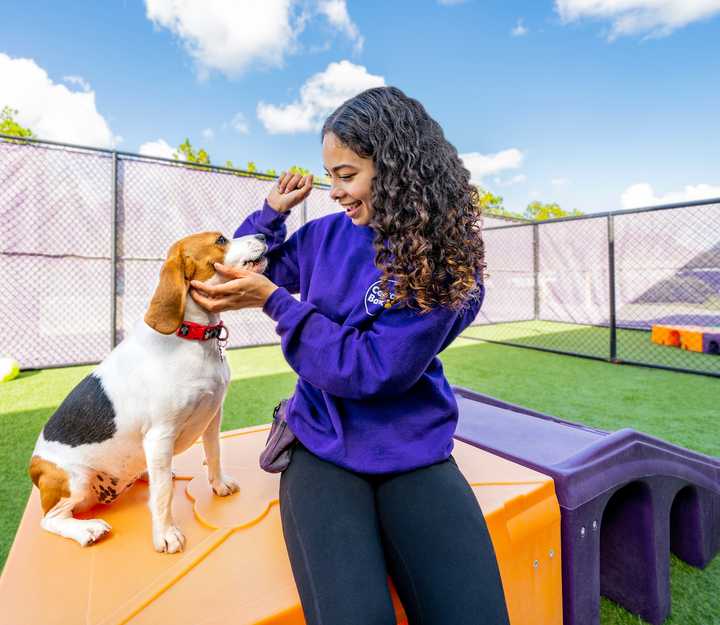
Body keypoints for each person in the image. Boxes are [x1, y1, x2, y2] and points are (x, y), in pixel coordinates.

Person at [190, 86, 510, 625]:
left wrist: (276, 305)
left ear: (398, 169)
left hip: (411, 446)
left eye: (346, 174)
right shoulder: (323, 236)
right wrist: (270, 214)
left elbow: (371, 369)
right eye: (329, 175)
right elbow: (243, 265)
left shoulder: (450, 267)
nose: (333, 190)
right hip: (321, 440)